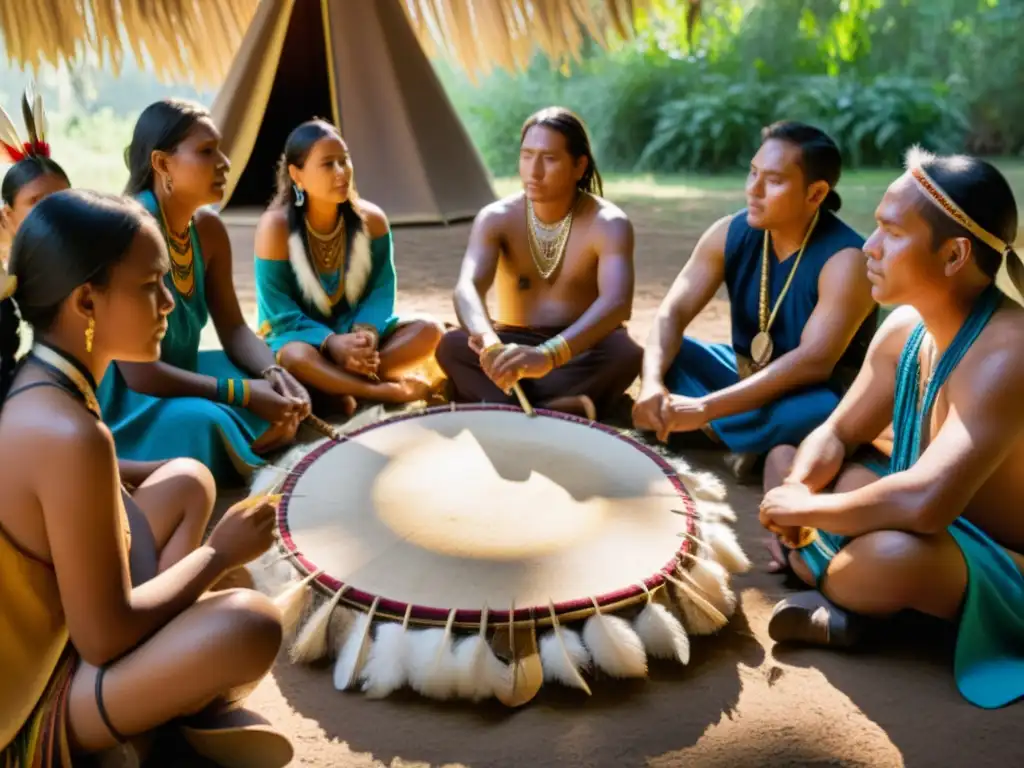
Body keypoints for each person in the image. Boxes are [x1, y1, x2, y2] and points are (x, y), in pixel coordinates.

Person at [0, 189, 293, 766]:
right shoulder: (69, 434)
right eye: (149, 287)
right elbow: (104, 637)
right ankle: (149, 728)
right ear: (86, 302)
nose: (167, 304)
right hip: (26, 704)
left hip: (67, 636)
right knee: (250, 623)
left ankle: (160, 709)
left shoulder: (44, 384)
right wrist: (216, 553)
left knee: (186, 479)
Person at [759, 149, 1024, 710]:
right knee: (789, 459)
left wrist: (802, 515)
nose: (867, 248)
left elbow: (927, 501)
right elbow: (836, 433)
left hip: (1003, 558)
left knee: (888, 558)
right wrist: (799, 490)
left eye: (890, 233)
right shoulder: (905, 326)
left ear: (954, 255)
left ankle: (844, 589)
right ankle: (853, 598)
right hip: (927, 526)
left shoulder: (1010, 353)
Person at [633, 122, 877, 477]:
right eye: (752, 173)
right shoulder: (729, 232)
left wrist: (705, 408)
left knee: (820, 411)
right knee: (666, 353)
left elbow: (813, 363)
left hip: (811, 391)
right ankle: (748, 441)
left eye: (774, 181)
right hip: (745, 374)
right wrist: (653, 381)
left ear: (816, 194)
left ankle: (714, 434)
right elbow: (673, 312)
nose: (753, 190)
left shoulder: (846, 259)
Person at [97, 99, 313, 485]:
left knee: (279, 390)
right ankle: (240, 442)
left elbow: (233, 328)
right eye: (206, 152)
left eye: (220, 150)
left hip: (183, 369)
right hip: (130, 397)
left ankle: (249, 436)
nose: (225, 163)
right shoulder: (131, 231)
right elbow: (139, 373)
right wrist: (243, 394)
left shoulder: (208, 231)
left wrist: (273, 371)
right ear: (163, 164)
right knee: (210, 420)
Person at [435, 106, 643, 421]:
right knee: (451, 346)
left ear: (579, 165)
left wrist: (549, 355)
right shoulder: (496, 218)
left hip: (578, 347)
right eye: (527, 155)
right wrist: (490, 343)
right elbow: (468, 287)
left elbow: (617, 303)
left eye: (549, 158)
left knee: (624, 354)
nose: (533, 171)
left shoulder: (609, 223)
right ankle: (563, 407)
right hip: (510, 344)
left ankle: (499, 404)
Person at [254, 119, 443, 412]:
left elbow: (381, 289)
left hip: (357, 337)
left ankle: (335, 385)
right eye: (328, 164)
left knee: (430, 330)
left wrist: (364, 335)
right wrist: (331, 343)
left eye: (345, 160)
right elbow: (279, 312)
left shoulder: (372, 220)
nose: (342, 172)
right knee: (294, 358)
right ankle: (381, 391)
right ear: (297, 175)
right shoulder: (275, 228)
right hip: (301, 338)